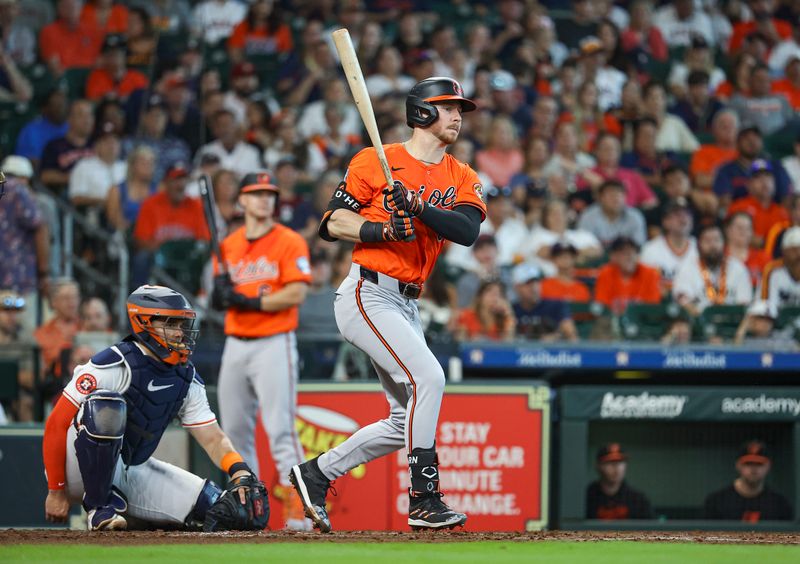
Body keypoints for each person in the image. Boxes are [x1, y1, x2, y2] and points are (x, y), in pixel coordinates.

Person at [290, 77, 485, 532]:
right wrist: (381, 231)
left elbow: (467, 231)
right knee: (429, 377)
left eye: (460, 108)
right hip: (367, 292)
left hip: (407, 302)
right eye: (448, 106)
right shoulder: (377, 161)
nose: (458, 115)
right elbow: (332, 221)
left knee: (404, 421)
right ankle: (423, 497)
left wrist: (415, 207)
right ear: (421, 112)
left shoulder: (462, 175)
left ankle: (316, 474)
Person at [41, 285, 269, 531]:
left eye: (182, 325)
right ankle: (99, 507)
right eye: (172, 324)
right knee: (105, 406)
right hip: (76, 471)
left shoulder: (186, 377)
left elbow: (213, 438)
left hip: (132, 469)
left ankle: (137, 517)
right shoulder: (114, 364)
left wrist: (239, 470)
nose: (180, 333)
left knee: (228, 511)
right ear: (144, 322)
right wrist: (56, 491)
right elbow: (56, 423)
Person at [211, 172, 312, 530]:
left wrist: (248, 300)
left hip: (274, 341)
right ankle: (249, 509)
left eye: (269, 194)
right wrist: (219, 294)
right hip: (235, 344)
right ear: (242, 200)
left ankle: (301, 509)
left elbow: (297, 293)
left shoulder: (289, 240)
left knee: (280, 429)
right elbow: (220, 297)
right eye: (256, 194)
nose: (264, 200)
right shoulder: (228, 245)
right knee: (235, 433)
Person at [673, 223, 753, 316]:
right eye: (707, 241)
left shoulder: (738, 268)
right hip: (699, 321)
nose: (713, 245)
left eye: (717, 240)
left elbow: (744, 303)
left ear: (724, 243)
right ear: (699, 245)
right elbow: (682, 299)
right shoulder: (687, 267)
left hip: (731, 321)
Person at [704, 440, 793, 521]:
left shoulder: (780, 504)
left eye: (759, 464)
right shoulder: (716, 501)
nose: (753, 469)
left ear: (768, 466)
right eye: (748, 463)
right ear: (738, 465)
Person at [726, 160, 790, 247]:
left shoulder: (783, 212)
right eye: (757, 177)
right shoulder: (738, 207)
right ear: (748, 185)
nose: (764, 181)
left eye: (768, 176)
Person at [510, 263, 577, 342]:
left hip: (552, 353)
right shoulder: (511, 309)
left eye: (536, 282)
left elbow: (571, 335)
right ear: (516, 287)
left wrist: (555, 337)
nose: (534, 287)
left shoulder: (556, 305)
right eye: (528, 284)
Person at [594, 236, 661, 314]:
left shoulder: (650, 274)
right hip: (612, 321)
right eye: (624, 253)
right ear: (613, 257)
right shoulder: (605, 273)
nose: (630, 257)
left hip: (642, 321)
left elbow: (653, 307)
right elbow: (602, 306)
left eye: (633, 252)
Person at [586, 443, 653, 520]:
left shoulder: (638, 500)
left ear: (625, 466)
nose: (616, 467)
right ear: (598, 466)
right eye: (609, 462)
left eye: (620, 462)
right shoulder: (587, 498)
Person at [641, 199, 698, 286]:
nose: (683, 218)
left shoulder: (701, 247)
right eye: (677, 215)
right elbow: (645, 285)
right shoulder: (650, 250)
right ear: (665, 222)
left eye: (687, 214)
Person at [577, 180, 647, 249]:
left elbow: (639, 244)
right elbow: (582, 244)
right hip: (595, 257)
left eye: (619, 195)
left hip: (624, 257)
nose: (616, 199)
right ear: (600, 198)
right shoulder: (589, 215)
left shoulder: (634, 216)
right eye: (611, 195)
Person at [759, 227, 800, 310]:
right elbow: (764, 307)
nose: (799, 254)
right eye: (794, 250)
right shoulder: (772, 270)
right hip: (777, 321)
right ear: (784, 251)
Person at [734, 300, 798, 350]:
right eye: (761, 318)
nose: (765, 323)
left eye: (769, 319)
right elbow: (736, 349)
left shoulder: (781, 338)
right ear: (752, 320)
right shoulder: (747, 340)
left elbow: (796, 351)